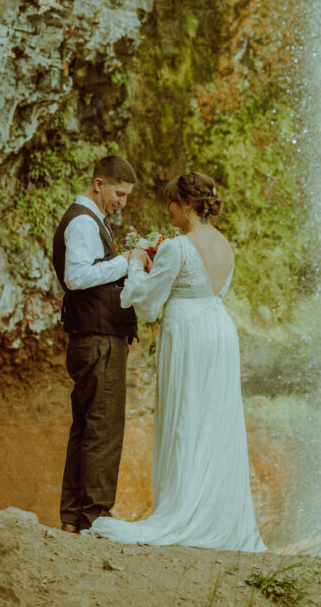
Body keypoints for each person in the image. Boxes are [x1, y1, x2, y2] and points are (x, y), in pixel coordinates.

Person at [89, 171, 265, 551]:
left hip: (188, 334)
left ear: (186, 204)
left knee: (186, 416)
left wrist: (136, 261)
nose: (167, 208)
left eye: (170, 201)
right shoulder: (225, 245)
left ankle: (183, 510)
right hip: (220, 331)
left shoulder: (177, 247)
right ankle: (215, 513)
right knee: (214, 420)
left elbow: (149, 304)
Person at [52, 154, 152, 534]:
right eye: (119, 193)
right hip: (98, 341)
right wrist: (127, 261)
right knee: (103, 428)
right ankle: (96, 518)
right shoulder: (81, 221)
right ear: (99, 184)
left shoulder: (88, 221)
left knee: (86, 427)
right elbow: (75, 277)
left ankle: (73, 518)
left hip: (91, 337)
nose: (122, 202)